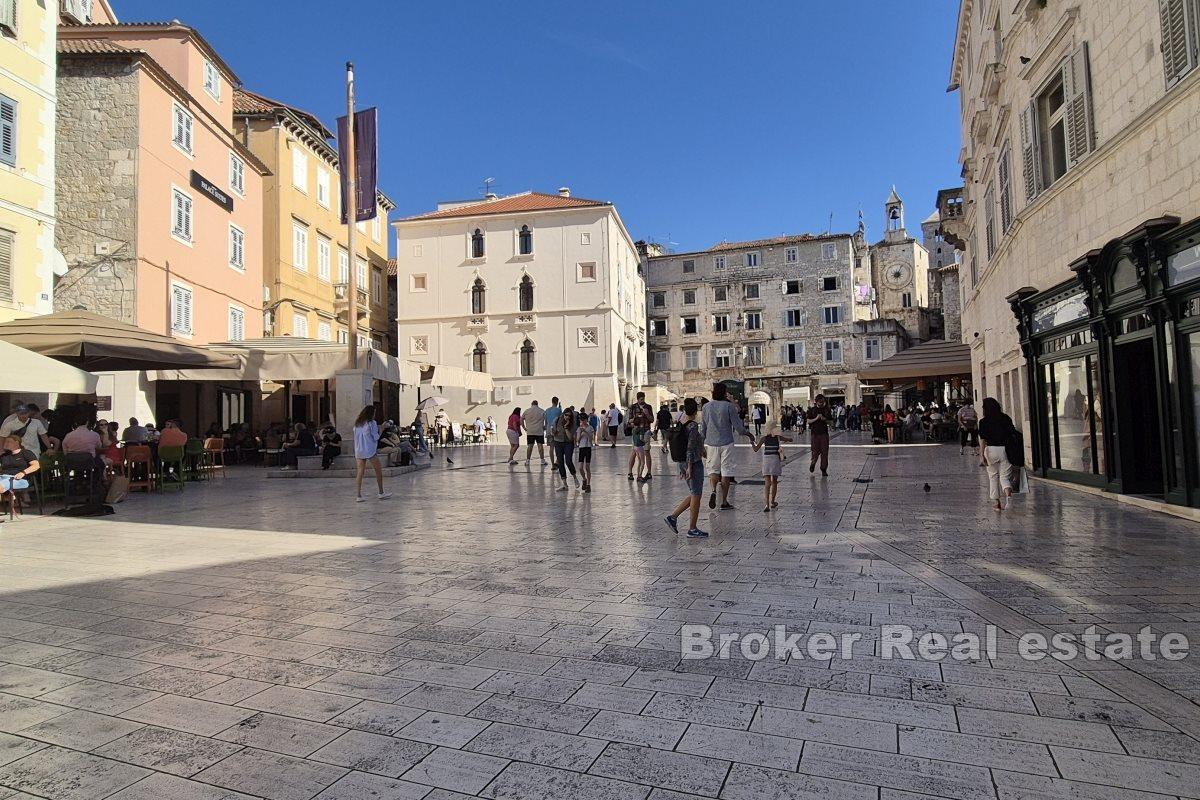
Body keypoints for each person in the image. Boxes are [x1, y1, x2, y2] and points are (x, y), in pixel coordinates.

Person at [702, 382, 754, 511]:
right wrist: (748, 434)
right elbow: (739, 428)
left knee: (713, 470)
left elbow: (703, 428)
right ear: (724, 393)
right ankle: (724, 501)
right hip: (727, 443)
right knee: (726, 471)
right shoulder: (729, 407)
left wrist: (701, 445)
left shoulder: (706, 407)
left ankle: (714, 490)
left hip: (711, 443)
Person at [664, 398, 708, 538]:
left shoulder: (680, 423)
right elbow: (689, 447)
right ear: (695, 411)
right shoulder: (693, 426)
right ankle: (692, 528)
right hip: (693, 463)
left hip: (681, 461)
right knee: (696, 494)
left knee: (695, 494)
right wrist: (689, 467)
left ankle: (673, 517)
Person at [979, 397, 1017, 512]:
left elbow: (983, 440)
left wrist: (982, 455)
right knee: (1005, 477)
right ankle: (1009, 498)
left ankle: (997, 503)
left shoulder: (983, 421)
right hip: (1006, 449)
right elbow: (1012, 433)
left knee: (993, 476)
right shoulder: (1005, 418)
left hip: (991, 450)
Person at [352, 405, 391, 502]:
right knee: (378, 470)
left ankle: (358, 495)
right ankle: (381, 492)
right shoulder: (372, 423)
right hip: (369, 449)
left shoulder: (357, 424)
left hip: (359, 449)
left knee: (360, 472)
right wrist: (381, 429)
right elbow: (376, 437)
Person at [751, 422, 789, 512]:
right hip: (775, 460)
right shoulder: (778, 438)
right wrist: (786, 440)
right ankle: (772, 501)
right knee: (774, 481)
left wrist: (752, 443)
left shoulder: (764, 438)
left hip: (767, 461)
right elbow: (790, 439)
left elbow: (756, 449)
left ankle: (767, 504)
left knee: (767, 483)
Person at [0, 434, 40, 514]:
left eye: (9, 441)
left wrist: (23, 472)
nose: (6, 443)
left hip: (19, 478)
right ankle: (8, 496)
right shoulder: (4, 456)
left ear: (17, 442)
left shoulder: (26, 453)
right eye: (6, 441)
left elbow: (36, 465)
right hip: (3, 477)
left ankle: (8, 496)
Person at [550, 406, 579, 491]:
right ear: (563, 414)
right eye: (566, 415)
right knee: (560, 462)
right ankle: (564, 484)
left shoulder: (573, 424)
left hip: (568, 443)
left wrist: (566, 427)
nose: (567, 417)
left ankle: (574, 477)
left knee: (568, 461)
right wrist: (554, 431)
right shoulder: (557, 420)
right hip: (558, 442)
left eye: (569, 416)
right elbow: (553, 432)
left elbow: (570, 438)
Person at [807, 395, 832, 477]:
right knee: (815, 451)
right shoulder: (812, 410)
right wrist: (816, 418)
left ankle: (823, 469)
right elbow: (808, 421)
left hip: (824, 434)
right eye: (820, 402)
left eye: (822, 402)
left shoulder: (827, 410)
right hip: (814, 434)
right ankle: (813, 462)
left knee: (824, 452)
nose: (821, 403)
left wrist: (824, 419)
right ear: (816, 401)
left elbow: (831, 422)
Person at [522, 400, 547, 465]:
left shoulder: (527, 411)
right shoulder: (542, 411)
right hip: (539, 431)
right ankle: (542, 460)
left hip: (530, 431)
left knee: (530, 446)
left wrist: (524, 427)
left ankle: (527, 461)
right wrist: (545, 427)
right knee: (540, 446)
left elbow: (521, 419)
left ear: (531, 404)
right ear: (537, 404)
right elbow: (546, 420)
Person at [576, 411, 595, 493]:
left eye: (584, 420)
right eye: (581, 420)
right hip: (581, 447)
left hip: (588, 447)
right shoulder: (579, 428)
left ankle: (588, 484)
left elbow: (591, 439)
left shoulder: (590, 428)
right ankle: (584, 478)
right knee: (580, 467)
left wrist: (586, 431)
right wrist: (580, 433)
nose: (583, 421)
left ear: (587, 420)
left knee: (587, 467)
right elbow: (577, 440)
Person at [629, 412, 650, 483]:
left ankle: (638, 475)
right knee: (643, 462)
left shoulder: (633, 429)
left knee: (639, 462)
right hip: (640, 447)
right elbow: (641, 438)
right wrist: (645, 442)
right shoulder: (641, 429)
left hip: (635, 447)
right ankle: (640, 476)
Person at [544, 397, 563, 469]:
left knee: (551, 448)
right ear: (557, 402)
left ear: (552, 401)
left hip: (549, 430)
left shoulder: (547, 410)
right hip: (557, 431)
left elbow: (546, 422)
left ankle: (552, 465)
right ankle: (557, 462)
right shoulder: (559, 410)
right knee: (558, 447)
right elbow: (561, 419)